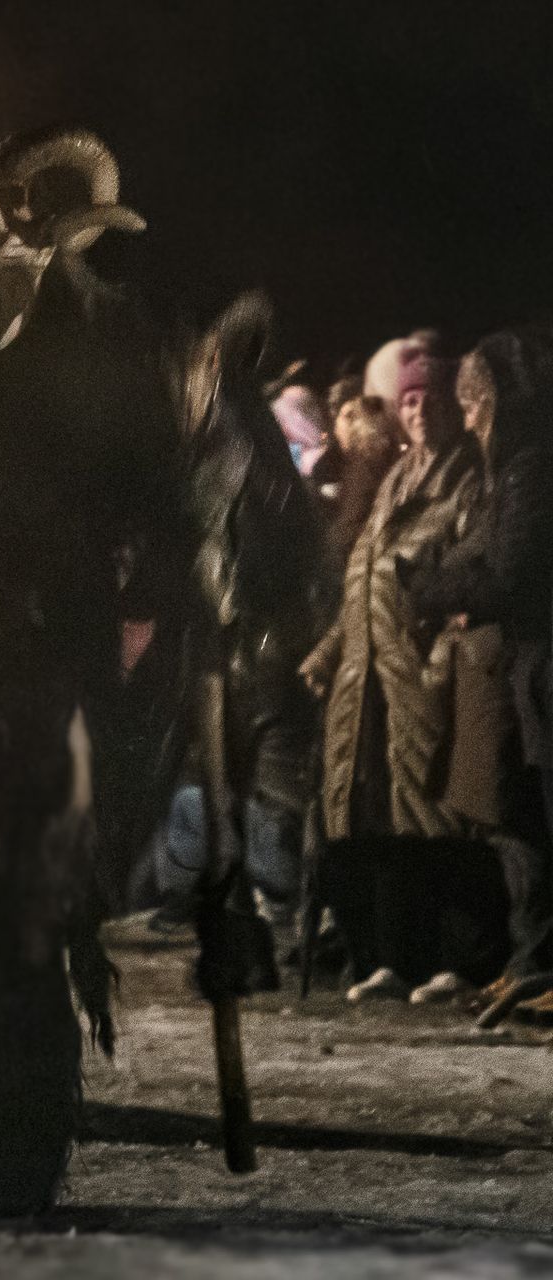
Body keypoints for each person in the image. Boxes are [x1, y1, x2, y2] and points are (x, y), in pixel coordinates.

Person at [300, 344, 504, 1003]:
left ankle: (463, 961)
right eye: (408, 399)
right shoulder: (394, 480)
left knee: (446, 821)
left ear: (453, 403)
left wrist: (439, 666)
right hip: (369, 681)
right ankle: (395, 958)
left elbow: (471, 582)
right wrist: (327, 655)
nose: (417, 410)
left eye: (430, 397)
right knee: (383, 820)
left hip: (426, 679)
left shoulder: (469, 481)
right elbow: (364, 586)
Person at [404, 329, 553, 1020]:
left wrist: (433, 590)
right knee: (524, 823)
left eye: (470, 403)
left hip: (540, 662)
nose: (466, 421)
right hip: (526, 667)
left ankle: (540, 965)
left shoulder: (529, 468)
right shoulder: (514, 470)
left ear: (494, 401)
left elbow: (512, 572)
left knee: (538, 820)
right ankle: (531, 964)